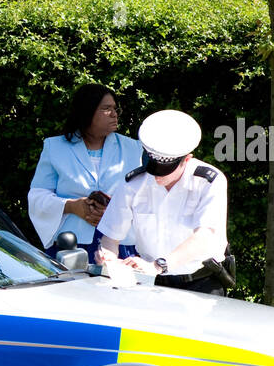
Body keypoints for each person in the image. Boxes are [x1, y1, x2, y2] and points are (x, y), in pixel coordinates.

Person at [95, 109, 230, 296]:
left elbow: (204, 237)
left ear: (187, 159)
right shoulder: (134, 185)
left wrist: (159, 265)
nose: (157, 175)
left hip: (201, 283)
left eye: (165, 169)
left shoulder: (208, 182)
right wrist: (108, 257)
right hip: (150, 283)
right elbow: (110, 236)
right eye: (153, 167)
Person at [27, 83, 144, 262]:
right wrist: (72, 206)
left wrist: (114, 210)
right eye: (106, 108)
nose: (114, 114)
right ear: (87, 111)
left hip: (119, 244)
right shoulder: (55, 147)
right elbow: (37, 196)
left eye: (115, 108)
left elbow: (144, 197)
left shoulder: (133, 148)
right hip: (70, 245)